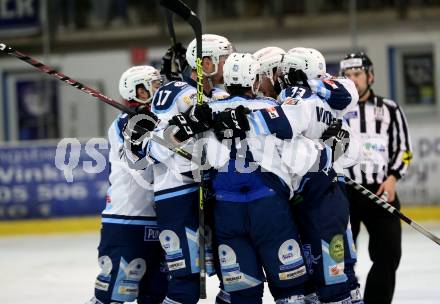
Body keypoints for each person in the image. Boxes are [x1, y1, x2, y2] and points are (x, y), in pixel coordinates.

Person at [146, 34, 233, 304]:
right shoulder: (174, 93)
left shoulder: (221, 95)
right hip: (178, 195)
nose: (229, 65)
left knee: (235, 278)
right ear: (206, 63)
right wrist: (187, 125)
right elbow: (154, 150)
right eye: (225, 60)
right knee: (185, 287)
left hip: (214, 193)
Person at [86, 66, 167, 304]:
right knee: (112, 294)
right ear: (137, 91)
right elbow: (137, 162)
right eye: (152, 85)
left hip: (157, 221)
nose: (158, 89)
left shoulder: (158, 119)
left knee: (156, 294)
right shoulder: (125, 122)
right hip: (127, 219)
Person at [340, 52, 413, 304]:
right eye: (347, 76)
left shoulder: (390, 109)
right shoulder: (334, 111)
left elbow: (404, 152)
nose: (353, 80)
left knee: (389, 254)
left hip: (380, 191)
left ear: (369, 76)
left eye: (357, 74)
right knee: (339, 258)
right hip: (343, 193)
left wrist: (393, 178)